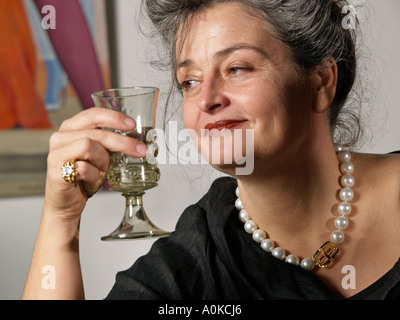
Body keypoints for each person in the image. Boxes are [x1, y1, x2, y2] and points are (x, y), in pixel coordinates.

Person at [22, 0, 400, 300]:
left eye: (237, 68)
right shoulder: (189, 266)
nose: (206, 99)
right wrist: (60, 219)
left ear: (320, 82)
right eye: (189, 80)